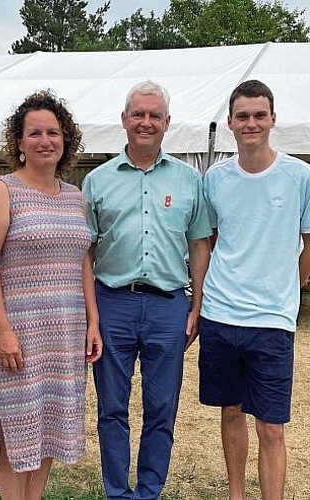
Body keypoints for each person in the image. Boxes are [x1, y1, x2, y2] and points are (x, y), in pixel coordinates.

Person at [82, 81, 212, 500]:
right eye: (138, 114)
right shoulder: (97, 181)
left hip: (169, 306)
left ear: (167, 123)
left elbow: (199, 244)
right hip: (112, 303)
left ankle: (149, 491)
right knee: (112, 409)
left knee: (161, 409)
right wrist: (93, 316)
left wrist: (197, 304)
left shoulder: (190, 180)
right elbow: (85, 251)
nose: (146, 122)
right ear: (124, 120)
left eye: (155, 115)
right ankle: (117, 492)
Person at [199, 79, 310, 500]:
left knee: (271, 425)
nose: (251, 123)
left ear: (272, 119)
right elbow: (211, 238)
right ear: (231, 123)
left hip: (272, 321)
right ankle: (236, 494)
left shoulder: (300, 175)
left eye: (259, 115)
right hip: (220, 315)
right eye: (242, 116)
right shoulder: (214, 178)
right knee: (230, 411)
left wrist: (292, 283)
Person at [0, 90, 102, 500]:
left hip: (64, 332)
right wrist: (2, 329)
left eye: (53, 132)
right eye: (35, 133)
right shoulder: (2, 190)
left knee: (48, 425)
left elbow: (82, 259)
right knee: (15, 426)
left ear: (66, 140)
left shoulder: (74, 196)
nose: (45, 140)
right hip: (20, 331)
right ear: (19, 142)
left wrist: (92, 321)